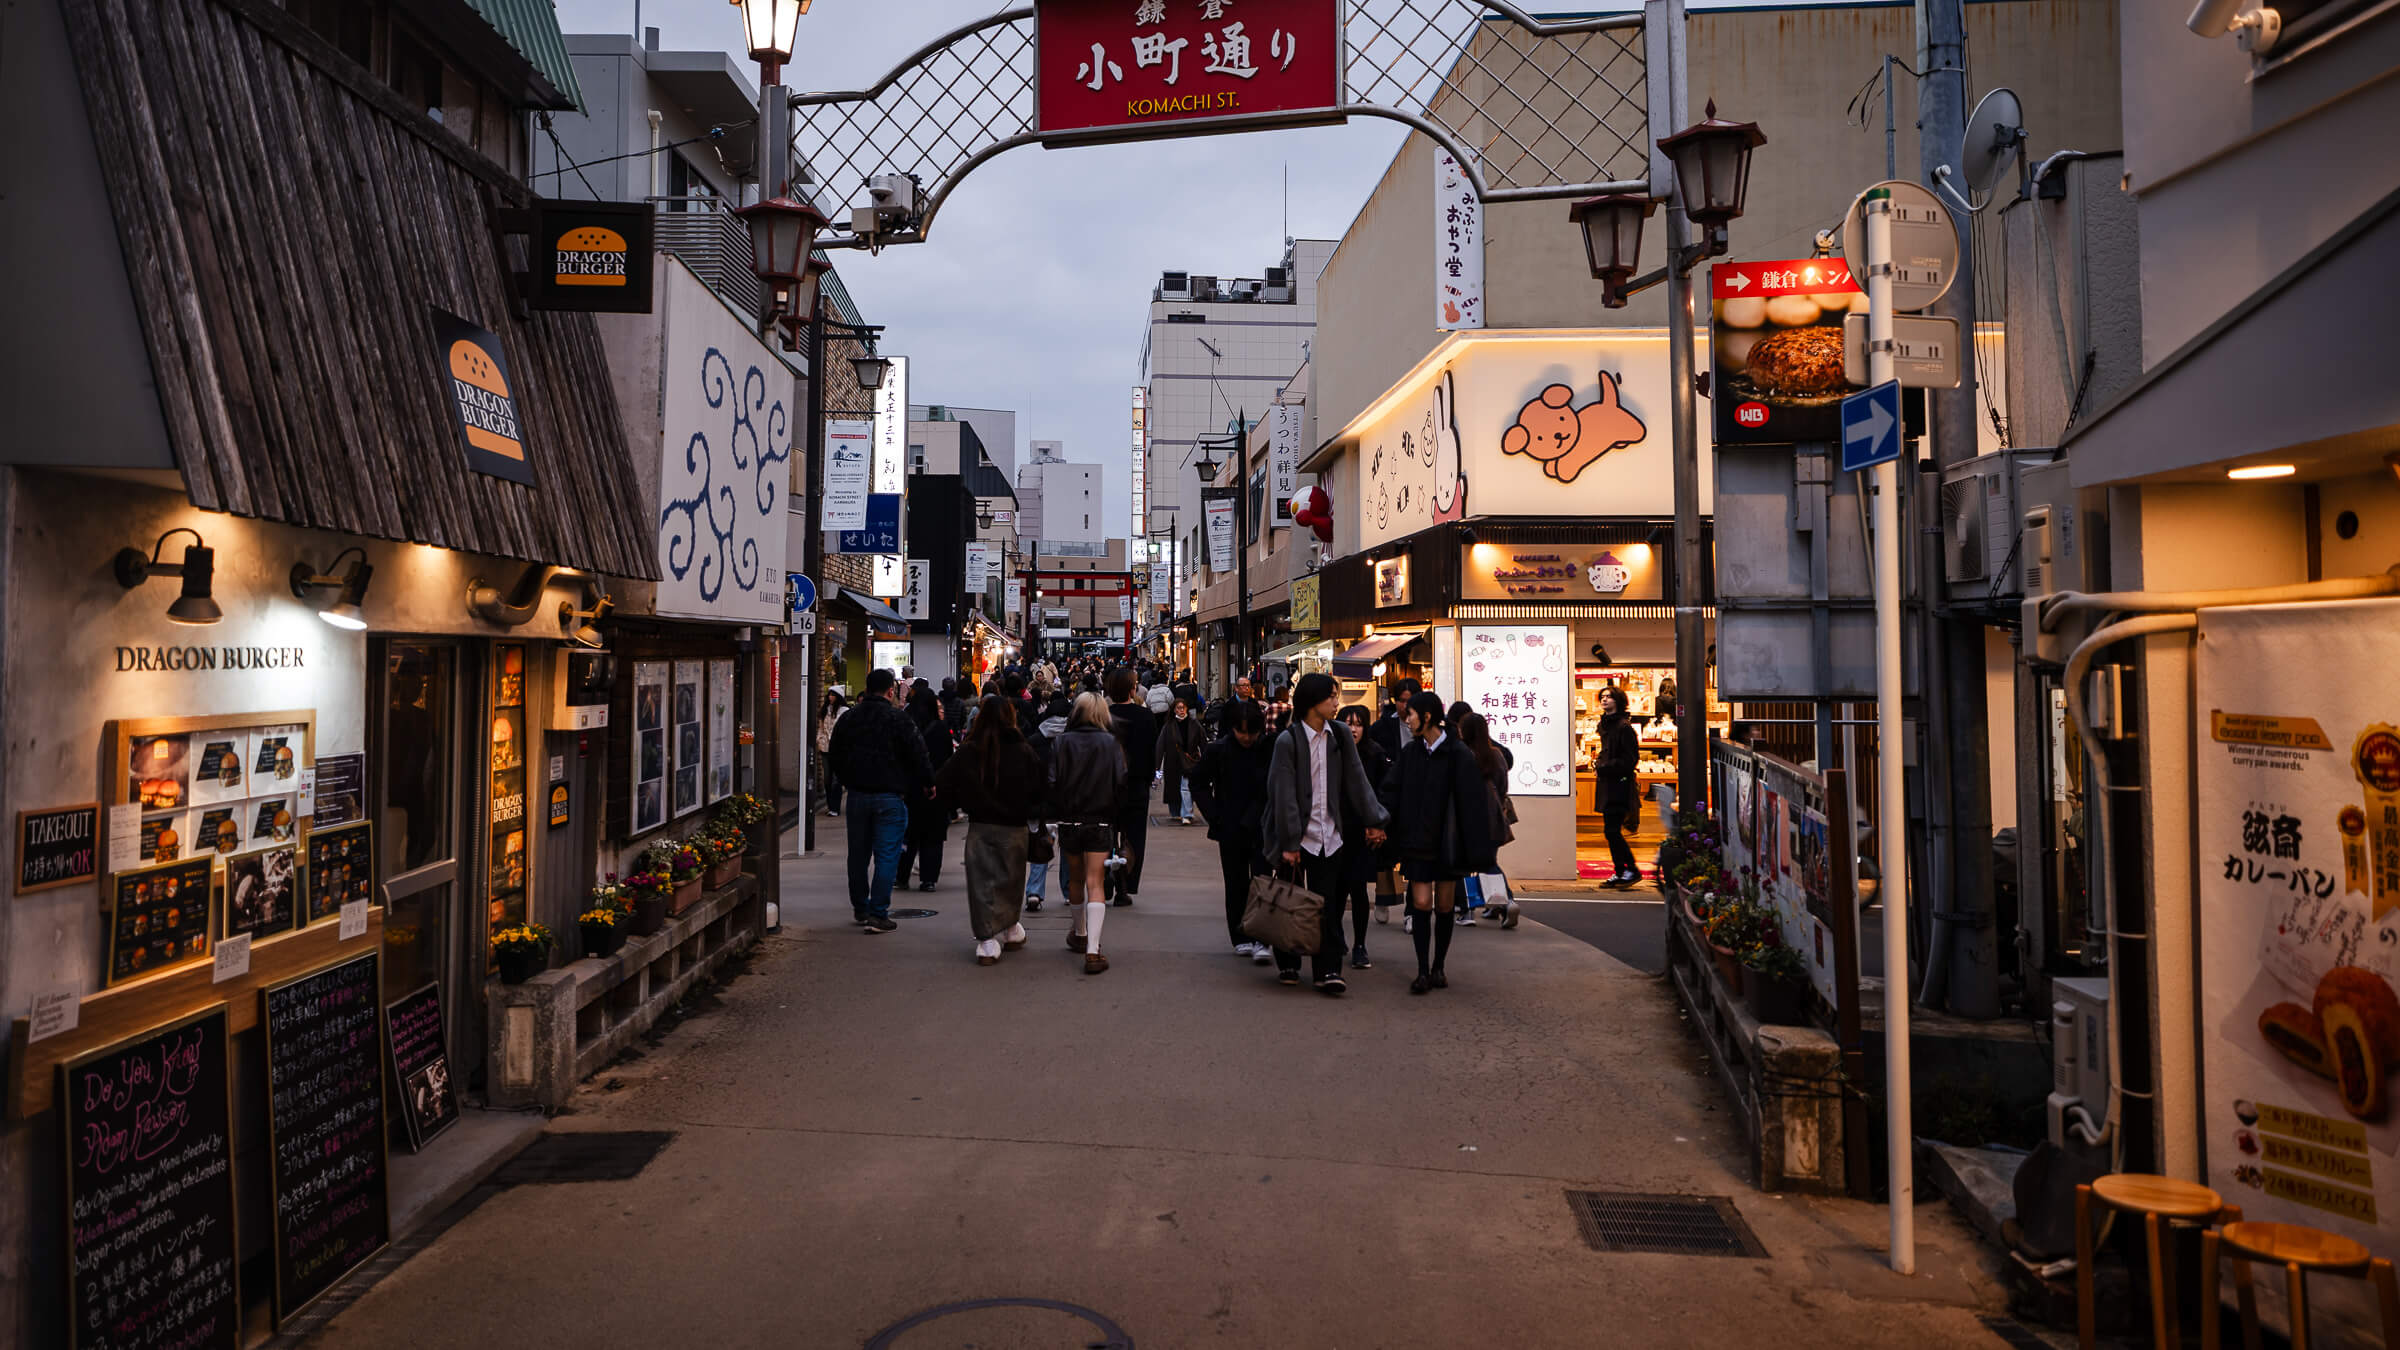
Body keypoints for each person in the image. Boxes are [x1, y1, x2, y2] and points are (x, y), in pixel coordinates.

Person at [1263, 674, 1390, 993]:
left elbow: (1357, 780)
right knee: (1290, 899)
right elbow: (1283, 794)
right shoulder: (1288, 741)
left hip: (1330, 833)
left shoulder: (1341, 734)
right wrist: (1290, 841)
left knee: (1327, 903)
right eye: (1332, 697)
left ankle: (1328, 969)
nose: (1337, 702)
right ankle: (1289, 962)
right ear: (1312, 701)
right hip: (1296, 834)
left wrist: (1374, 819)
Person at [1379, 692, 1493, 993]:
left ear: (1427, 716)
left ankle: (1438, 966)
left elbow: (1473, 801)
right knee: (1420, 903)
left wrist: (1475, 846)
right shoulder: (1412, 753)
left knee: (1444, 905)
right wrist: (1379, 820)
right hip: (1417, 840)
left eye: (1412, 714)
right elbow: (1392, 788)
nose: (1408, 718)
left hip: (1448, 843)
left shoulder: (1458, 753)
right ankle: (1421, 970)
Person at [936, 696, 1045, 964]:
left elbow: (944, 782)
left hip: (980, 825)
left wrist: (958, 804)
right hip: (1014, 826)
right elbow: (1039, 788)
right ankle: (1010, 927)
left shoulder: (969, 749)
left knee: (981, 883)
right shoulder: (1023, 749)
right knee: (1012, 880)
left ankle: (986, 939)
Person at [826, 668, 931, 933]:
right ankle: (878, 913)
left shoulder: (849, 718)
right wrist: (927, 782)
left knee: (858, 855)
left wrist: (848, 779)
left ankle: (860, 907)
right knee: (887, 855)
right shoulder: (899, 719)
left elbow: (835, 753)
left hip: (858, 794)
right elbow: (918, 753)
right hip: (890, 795)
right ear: (890, 691)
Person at [1189, 701, 1274, 963]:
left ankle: (1263, 937)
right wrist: (1214, 815)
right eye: (1242, 732)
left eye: (1252, 732)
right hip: (1230, 826)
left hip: (1262, 826)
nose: (1247, 738)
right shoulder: (1219, 750)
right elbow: (1198, 782)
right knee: (1235, 883)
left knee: (1263, 881)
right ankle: (1240, 935)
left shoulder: (1269, 749)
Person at [1048, 692, 1125, 974]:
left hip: (1070, 820)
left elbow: (1052, 782)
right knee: (1096, 881)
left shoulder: (1061, 742)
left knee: (1076, 879)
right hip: (1100, 819)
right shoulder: (1111, 744)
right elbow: (1120, 783)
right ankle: (1093, 950)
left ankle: (1079, 933)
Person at [1455, 711, 1521, 929]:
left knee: (1464, 865)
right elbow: (1503, 787)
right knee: (1488, 862)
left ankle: (1470, 910)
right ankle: (1499, 905)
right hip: (1494, 818)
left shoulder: (1463, 755)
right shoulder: (1496, 755)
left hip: (1469, 818)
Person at [1338, 704, 1392, 963]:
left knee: (1358, 889)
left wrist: (1378, 824)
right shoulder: (1331, 751)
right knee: (1334, 890)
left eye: (1358, 723)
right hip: (1335, 830)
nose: (1352, 728)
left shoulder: (1375, 754)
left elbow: (1384, 792)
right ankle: (1336, 939)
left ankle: (1360, 944)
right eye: (1347, 723)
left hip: (1362, 833)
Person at [1105, 668, 1158, 904]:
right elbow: (1151, 753)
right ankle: (1125, 886)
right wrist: (1148, 779)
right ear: (1132, 688)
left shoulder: (1103, 715)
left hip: (1107, 786)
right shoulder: (1145, 717)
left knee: (1106, 835)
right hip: (1136, 784)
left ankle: (1105, 875)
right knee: (1134, 837)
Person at [896, 686, 954, 892]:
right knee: (933, 838)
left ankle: (901, 876)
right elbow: (948, 760)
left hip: (909, 791)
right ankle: (928, 879)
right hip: (935, 791)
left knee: (906, 836)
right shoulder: (941, 729)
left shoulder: (905, 725)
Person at [1595, 685, 1642, 887]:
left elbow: (1631, 759)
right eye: (1602, 697)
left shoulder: (1624, 727)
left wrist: (1604, 766)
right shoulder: (1606, 726)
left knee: (1612, 831)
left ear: (1618, 700)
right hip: (1608, 784)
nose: (1604, 700)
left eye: (1609, 697)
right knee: (1610, 831)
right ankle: (1622, 871)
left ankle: (1630, 869)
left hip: (1619, 786)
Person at [1156, 697, 1202, 825]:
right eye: (1178, 708)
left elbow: (1203, 742)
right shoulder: (1169, 725)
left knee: (1186, 788)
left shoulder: (1194, 723)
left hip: (1189, 761)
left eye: (1183, 708)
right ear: (1174, 710)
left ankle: (1187, 814)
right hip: (1173, 761)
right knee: (1173, 787)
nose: (1181, 710)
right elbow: (1160, 746)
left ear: (1187, 708)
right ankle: (1176, 812)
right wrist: (1157, 767)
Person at [815, 690, 849, 817]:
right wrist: (819, 739)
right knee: (827, 779)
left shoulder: (844, 711)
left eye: (833, 695)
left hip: (838, 749)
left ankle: (835, 807)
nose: (830, 697)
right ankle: (830, 805)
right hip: (825, 748)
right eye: (829, 695)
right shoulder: (824, 710)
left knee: (836, 779)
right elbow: (820, 727)